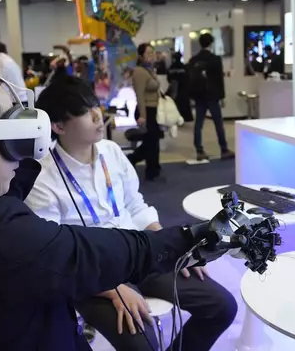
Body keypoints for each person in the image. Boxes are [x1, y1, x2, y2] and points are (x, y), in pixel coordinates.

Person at [0, 66, 233, 351]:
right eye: (9, 137)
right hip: (107, 267)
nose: (21, 151)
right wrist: (192, 239)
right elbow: (92, 255)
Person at [26, 75, 238, 351]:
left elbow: (136, 205)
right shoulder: (43, 177)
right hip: (92, 272)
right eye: (83, 111)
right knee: (144, 345)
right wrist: (112, 288)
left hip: (140, 252)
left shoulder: (111, 151)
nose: (96, 115)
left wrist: (175, 249)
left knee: (221, 306)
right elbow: (57, 258)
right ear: (58, 126)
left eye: (95, 105)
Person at [187, 33, 234, 162]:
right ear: (211, 44)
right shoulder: (215, 59)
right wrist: (222, 96)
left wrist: (191, 95)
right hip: (213, 95)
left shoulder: (194, 60)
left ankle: (199, 150)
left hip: (199, 96)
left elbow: (189, 79)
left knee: (198, 124)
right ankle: (224, 149)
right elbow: (219, 79)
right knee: (218, 123)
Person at [128, 43, 162, 181]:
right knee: (151, 142)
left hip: (152, 110)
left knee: (153, 140)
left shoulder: (149, 70)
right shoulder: (139, 72)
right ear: (140, 56)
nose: (152, 55)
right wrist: (143, 116)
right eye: (148, 53)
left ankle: (153, 167)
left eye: (153, 52)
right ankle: (132, 160)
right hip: (145, 110)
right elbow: (140, 95)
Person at [167, 51, 193, 122]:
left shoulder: (171, 67)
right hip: (183, 89)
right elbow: (187, 78)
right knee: (183, 104)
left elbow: (169, 78)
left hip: (174, 89)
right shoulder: (183, 67)